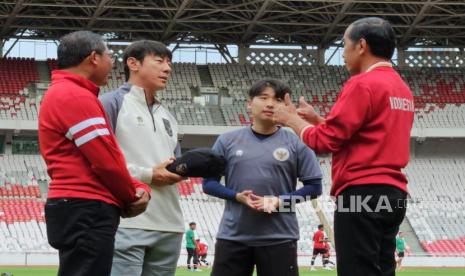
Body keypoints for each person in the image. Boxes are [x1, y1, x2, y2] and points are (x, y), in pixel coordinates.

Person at [273, 17, 414, 276]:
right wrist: (318, 121)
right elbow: (369, 135)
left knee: (356, 270)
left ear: (361, 45)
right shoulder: (401, 88)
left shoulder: (362, 83)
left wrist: (290, 119)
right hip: (394, 193)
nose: (343, 54)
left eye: (344, 45)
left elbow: (324, 141)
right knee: (382, 269)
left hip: (361, 193)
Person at [39, 31, 151, 276]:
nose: (113, 63)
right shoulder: (75, 95)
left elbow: (101, 160)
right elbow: (106, 162)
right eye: (110, 56)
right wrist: (131, 195)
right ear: (93, 58)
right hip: (87, 207)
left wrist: (135, 187)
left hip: (77, 205)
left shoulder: (66, 92)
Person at [203, 79, 323, 276]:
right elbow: (209, 184)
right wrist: (236, 197)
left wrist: (279, 201)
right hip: (233, 237)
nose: (269, 104)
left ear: (285, 106)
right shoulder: (226, 141)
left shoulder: (297, 142)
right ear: (250, 103)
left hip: (280, 237)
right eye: (263, 98)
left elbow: (315, 187)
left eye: (277, 99)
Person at [99, 40, 185, 276]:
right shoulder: (110, 104)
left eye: (169, 63)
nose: (167, 68)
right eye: (159, 61)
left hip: (170, 224)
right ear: (133, 63)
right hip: (128, 221)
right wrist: (148, 174)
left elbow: (174, 164)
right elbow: (97, 162)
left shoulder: (168, 115)